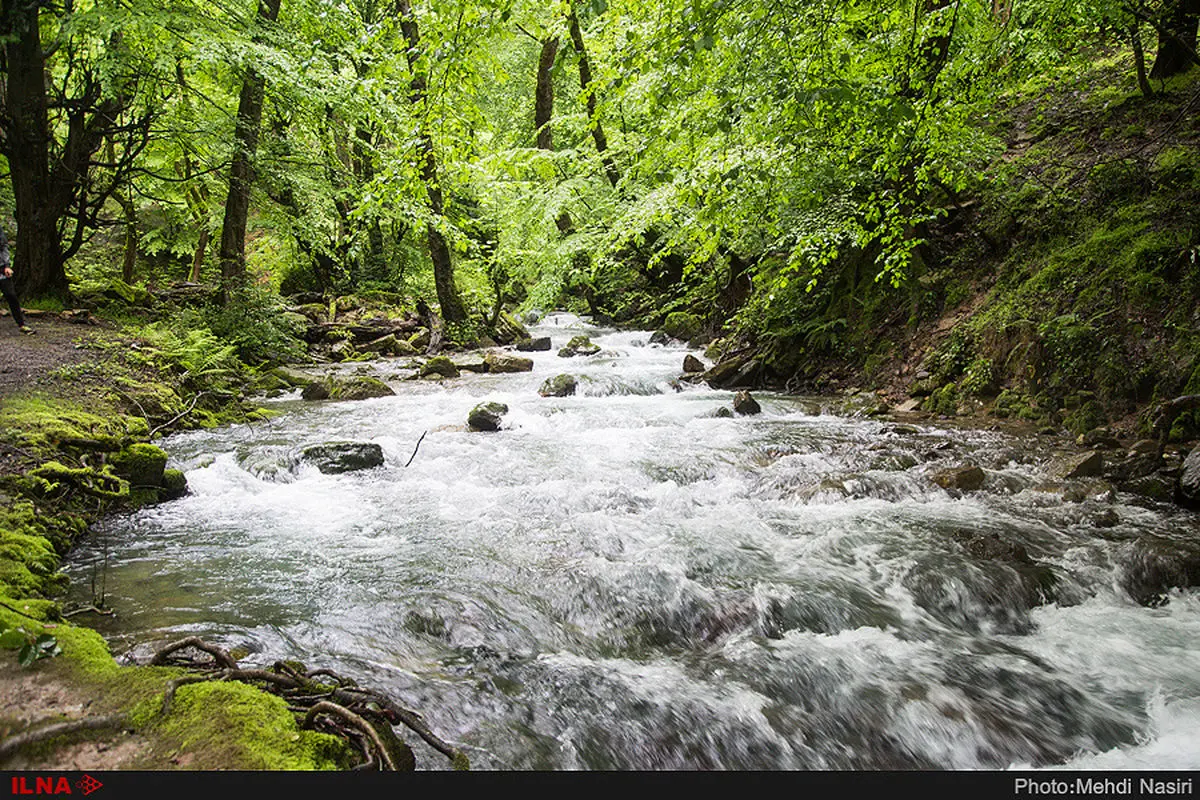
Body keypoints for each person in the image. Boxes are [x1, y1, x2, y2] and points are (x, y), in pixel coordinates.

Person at [0, 225, 34, 334]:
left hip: (1, 268)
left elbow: (4, 246)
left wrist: (7, 265)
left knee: (11, 295)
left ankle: (21, 324)